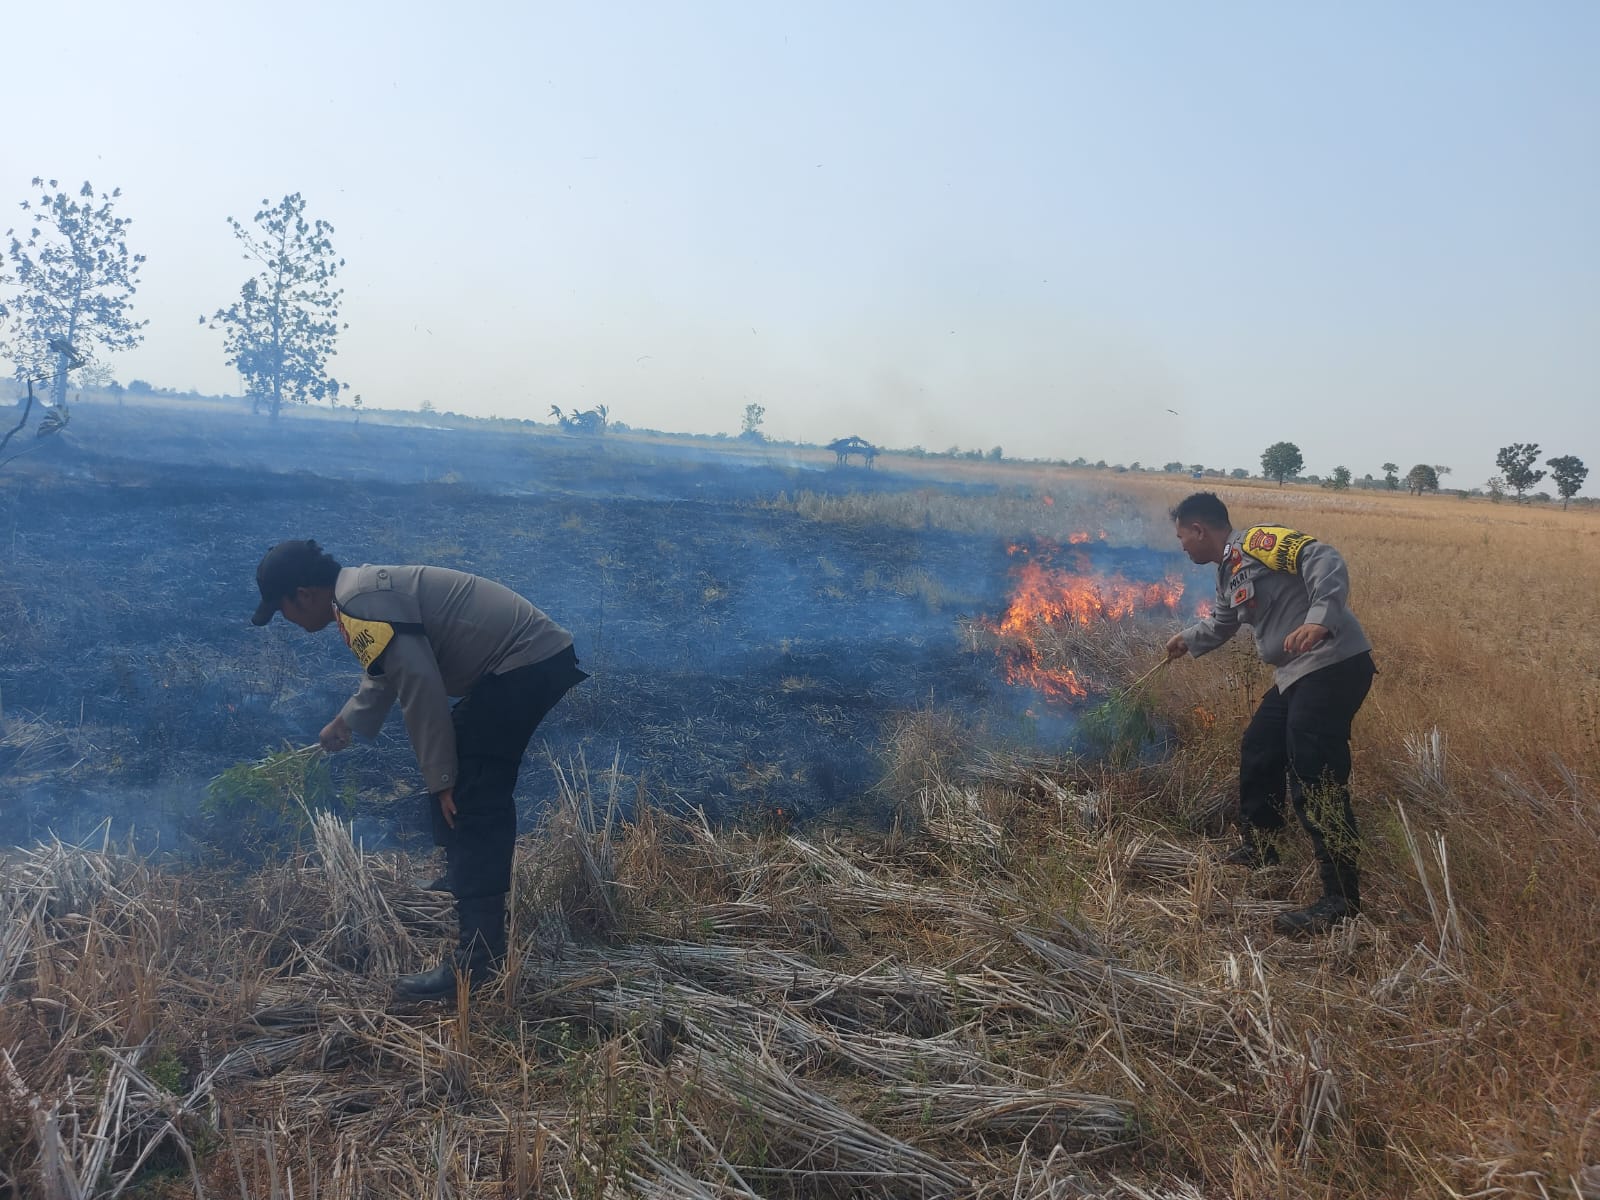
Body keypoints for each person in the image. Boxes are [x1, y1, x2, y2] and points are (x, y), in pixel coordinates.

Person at [250, 539, 588, 999]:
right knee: (463, 767)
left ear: (303, 594)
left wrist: (444, 781)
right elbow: (385, 670)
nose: (286, 620)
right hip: (524, 661)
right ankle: (463, 873)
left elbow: (421, 689)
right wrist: (346, 720)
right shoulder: (355, 599)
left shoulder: (360, 602)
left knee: (471, 793)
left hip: (526, 662)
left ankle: (477, 962)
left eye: (282, 609)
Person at [1163, 493, 1376, 936]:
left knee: (1314, 772)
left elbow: (1323, 558)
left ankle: (1341, 898)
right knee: (1260, 747)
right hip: (1296, 673)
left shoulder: (1259, 541)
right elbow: (1223, 623)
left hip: (1332, 662)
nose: (1182, 546)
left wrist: (1320, 617)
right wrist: (1188, 639)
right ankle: (1261, 847)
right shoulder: (1227, 574)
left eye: (1183, 536)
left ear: (1200, 530)